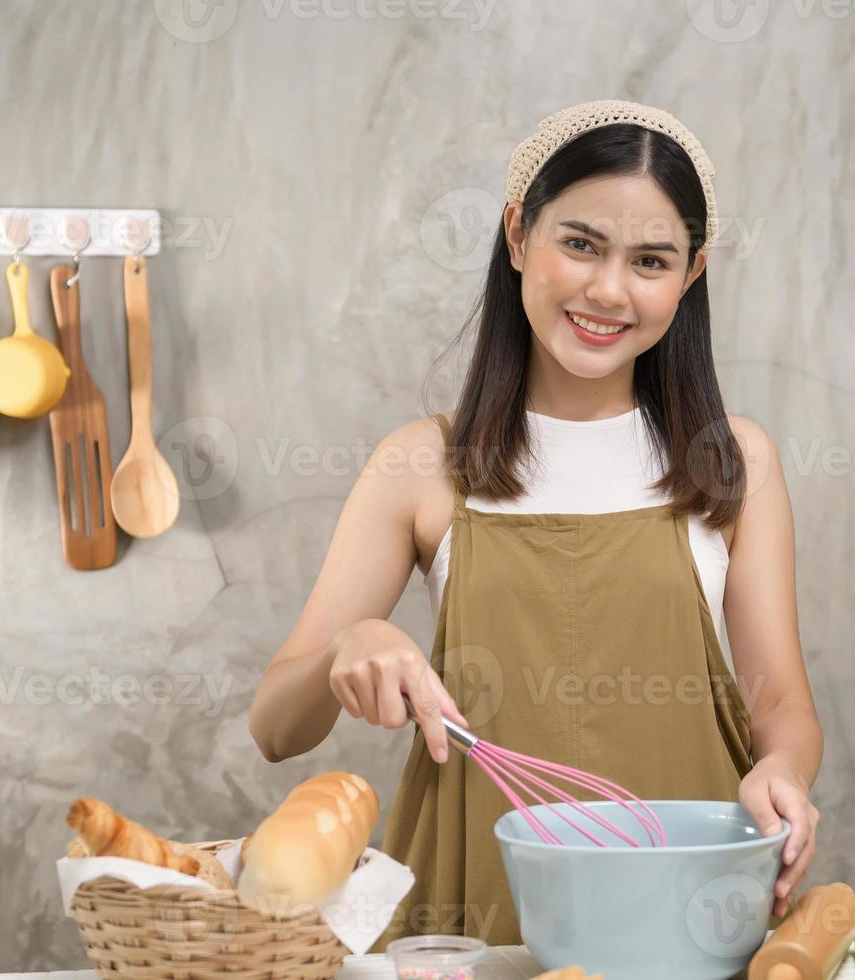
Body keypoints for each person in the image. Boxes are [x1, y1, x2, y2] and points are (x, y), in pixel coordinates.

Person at [248, 99, 822, 951]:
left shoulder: (734, 464)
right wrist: (346, 647)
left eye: (651, 260)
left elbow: (781, 706)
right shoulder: (420, 466)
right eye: (580, 243)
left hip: (685, 918)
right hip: (470, 922)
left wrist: (783, 770)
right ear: (519, 235)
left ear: (690, 275)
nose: (608, 290)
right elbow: (274, 728)